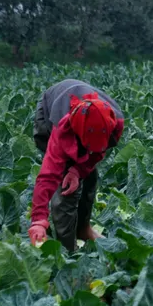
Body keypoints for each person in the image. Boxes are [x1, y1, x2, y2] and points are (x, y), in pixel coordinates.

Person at [28, 80, 124, 251]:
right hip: (50, 109)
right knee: (66, 186)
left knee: (89, 175)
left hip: (78, 108)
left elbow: (98, 153)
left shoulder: (115, 122)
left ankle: (83, 229)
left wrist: (78, 170)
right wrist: (38, 220)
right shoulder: (62, 129)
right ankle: (67, 249)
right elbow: (48, 176)